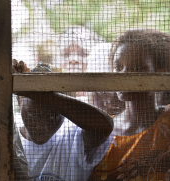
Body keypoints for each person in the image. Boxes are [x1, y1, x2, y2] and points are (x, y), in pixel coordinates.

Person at [89, 29, 170, 181]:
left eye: (138, 68)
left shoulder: (167, 122)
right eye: (118, 67)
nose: (124, 75)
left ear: (160, 73)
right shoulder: (103, 131)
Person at [12, 61, 114, 180]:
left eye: (54, 116)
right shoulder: (10, 138)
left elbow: (104, 126)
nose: (42, 127)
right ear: (19, 100)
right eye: (33, 114)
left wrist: (31, 91)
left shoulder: (73, 134)